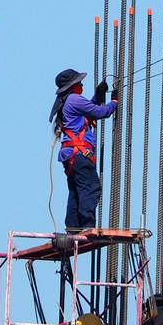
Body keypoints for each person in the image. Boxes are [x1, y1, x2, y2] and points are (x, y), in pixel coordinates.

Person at [49, 68, 118, 233]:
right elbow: (101, 112)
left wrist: (98, 96)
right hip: (80, 154)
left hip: (70, 155)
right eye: (79, 83)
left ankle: (73, 227)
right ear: (72, 86)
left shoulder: (65, 100)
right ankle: (87, 226)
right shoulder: (74, 99)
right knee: (90, 188)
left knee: (75, 191)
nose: (81, 85)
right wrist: (114, 102)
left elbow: (89, 110)